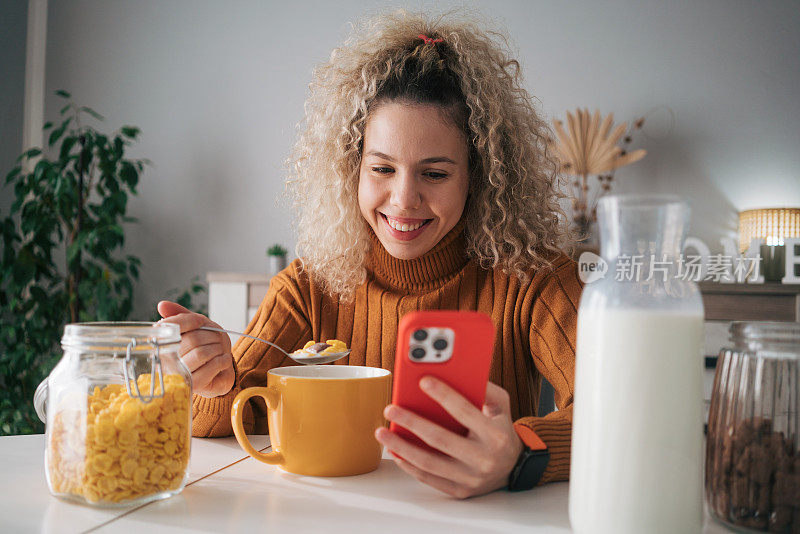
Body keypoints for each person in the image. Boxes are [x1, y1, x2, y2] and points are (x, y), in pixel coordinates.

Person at [158, 9, 583, 499]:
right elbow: (234, 408)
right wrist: (207, 380)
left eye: (436, 174)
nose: (403, 200)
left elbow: (622, 409)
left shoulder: (534, 279)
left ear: (479, 177)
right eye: (382, 169)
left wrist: (521, 453)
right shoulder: (307, 286)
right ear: (351, 168)